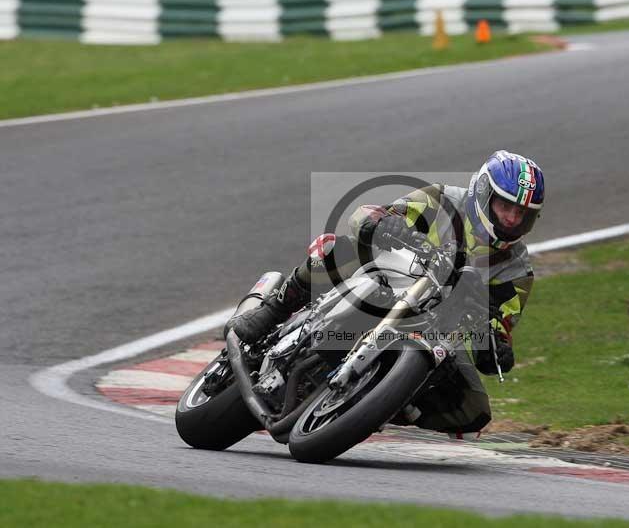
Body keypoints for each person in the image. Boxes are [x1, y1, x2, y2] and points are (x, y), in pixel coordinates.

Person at [227, 150, 545, 434]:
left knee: (474, 410)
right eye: (506, 206)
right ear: (484, 193)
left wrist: (497, 349)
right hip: (391, 279)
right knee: (340, 248)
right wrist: (382, 224)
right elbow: (368, 216)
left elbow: (500, 327)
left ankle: (383, 401)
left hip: (437, 330)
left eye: (522, 214)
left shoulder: (517, 271)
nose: (512, 219)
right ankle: (274, 309)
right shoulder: (443, 201)